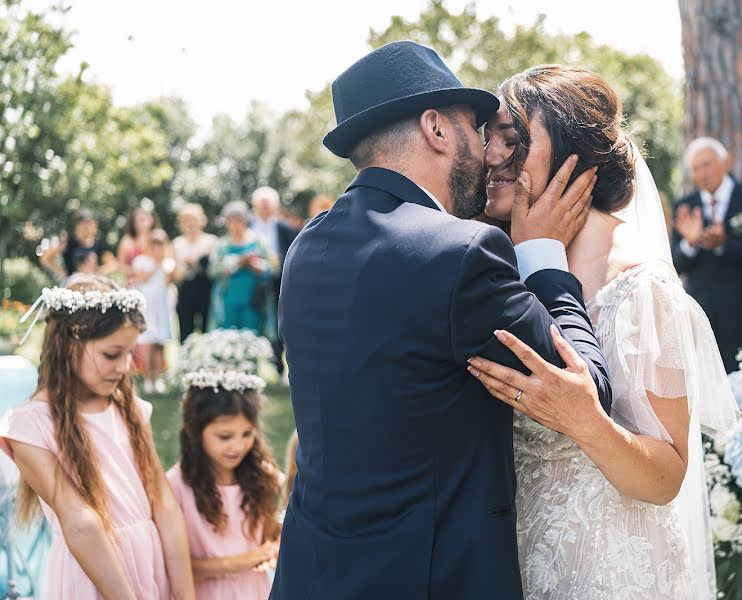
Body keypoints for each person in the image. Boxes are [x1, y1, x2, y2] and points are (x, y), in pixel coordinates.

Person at [272, 41, 612, 600]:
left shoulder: (307, 249)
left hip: (314, 576)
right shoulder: (460, 254)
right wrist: (544, 255)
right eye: (476, 130)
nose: (487, 152)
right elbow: (582, 387)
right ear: (436, 128)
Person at [473, 64, 737, 599]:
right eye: (490, 138)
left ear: (580, 157)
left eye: (515, 139)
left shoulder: (641, 288)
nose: (492, 156)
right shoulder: (490, 258)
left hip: (612, 569)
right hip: (513, 561)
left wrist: (588, 423)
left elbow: (666, 478)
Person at [0, 275, 194, 599]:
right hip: (95, 575)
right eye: (111, 354)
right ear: (68, 343)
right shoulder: (29, 426)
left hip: (151, 560)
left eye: (130, 353)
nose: (124, 367)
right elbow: (79, 521)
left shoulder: (128, 408)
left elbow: (164, 504)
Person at [167, 369, 282, 600]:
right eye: (225, 437)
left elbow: (268, 536)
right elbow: (173, 566)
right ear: (196, 432)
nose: (238, 446)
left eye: (247, 434)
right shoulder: (175, 486)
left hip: (255, 591)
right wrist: (240, 562)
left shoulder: (261, 477)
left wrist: (273, 548)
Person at [671, 137, 742, 371]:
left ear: (725, 162)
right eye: (696, 168)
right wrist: (690, 244)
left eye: (707, 164)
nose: (702, 173)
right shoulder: (685, 206)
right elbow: (674, 264)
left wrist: (726, 244)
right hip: (704, 317)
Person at [208, 201, 278, 339]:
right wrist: (237, 262)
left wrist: (258, 266)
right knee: (227, 337)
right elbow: (212, 270)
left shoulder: (259, 242)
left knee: (252, 335)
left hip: (253, 299)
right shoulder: (222, 245)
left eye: (238, 220)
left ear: (245, 220)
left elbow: (274, 267)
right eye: (231, 221)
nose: (235, 225)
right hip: (228, 298)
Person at [249, 187, 299, 377]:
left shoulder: (284, 228)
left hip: (278, 283)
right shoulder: (247, 225)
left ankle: (279, 367)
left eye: (268, 206)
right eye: (261, 206)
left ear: (275, 207)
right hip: (252, 282)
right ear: (254, 206)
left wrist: (277, 262)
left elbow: (294, 253)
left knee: (280, 323)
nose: (265, 209)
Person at [133, 228, 176, 394]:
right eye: (155, 244)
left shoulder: (168, 263)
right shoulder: (141, 261)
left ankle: (158, 378)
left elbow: (169, 280)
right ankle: (148, 379)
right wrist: (156, 263)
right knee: (148, 344)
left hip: (162, 307)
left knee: (160, 344)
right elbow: (142, 278)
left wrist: (164, 261)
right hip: (147, 308)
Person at [173, 204, 218, 342]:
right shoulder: (177, 243)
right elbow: (176, 275)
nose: (191, 223)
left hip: (206, 288)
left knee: (207, 329)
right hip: (186, 288)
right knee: (185, 329)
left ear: (201, 220)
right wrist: (187, 264)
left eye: (194, 219)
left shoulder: (211, 241)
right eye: (187, 220)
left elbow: (214, 269)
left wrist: (199, 263)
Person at [39, 209, 116, 281]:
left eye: (89, 224)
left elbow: (113, 264)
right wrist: (60, 271)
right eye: (83, 225)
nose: (86, 228)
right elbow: (46, 258)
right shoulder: (68, 242)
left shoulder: (98, 245)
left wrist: (99, 273)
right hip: (72, 285)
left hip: (92, 284)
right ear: (77, 227)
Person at [118, 206, 159, 285]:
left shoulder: (158, 237)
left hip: (155, 283)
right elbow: (121, 265)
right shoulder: (126, 240)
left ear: (151, 219)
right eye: (137, 220)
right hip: (133, 284)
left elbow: (166, 260)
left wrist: (149, 273)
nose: (141, 223)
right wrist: (136, 272)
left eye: (143, 219)